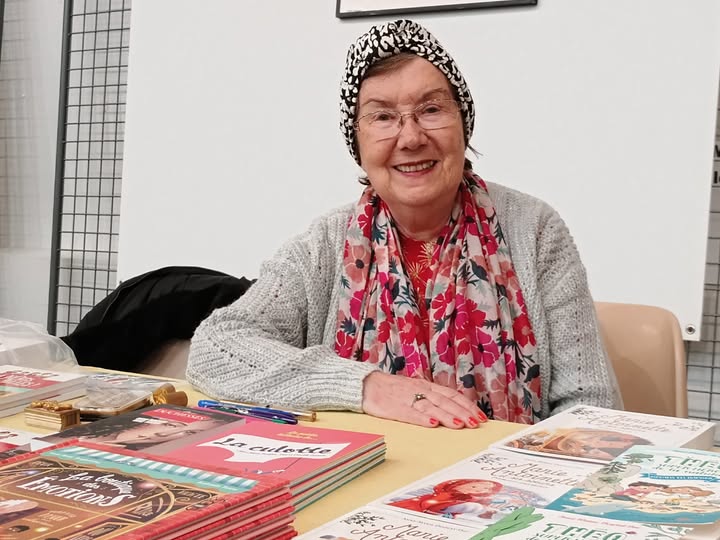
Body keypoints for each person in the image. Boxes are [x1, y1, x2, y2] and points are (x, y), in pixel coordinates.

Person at [186, 19, 621, 429]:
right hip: (367, 474)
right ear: (357, 143)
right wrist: (364, 386)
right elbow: (216, 348)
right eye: (382, 117)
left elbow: (593, 410)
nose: (411, 138)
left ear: (463, 125)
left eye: (431, 109)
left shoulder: (535, 231)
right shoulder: (325, 245)